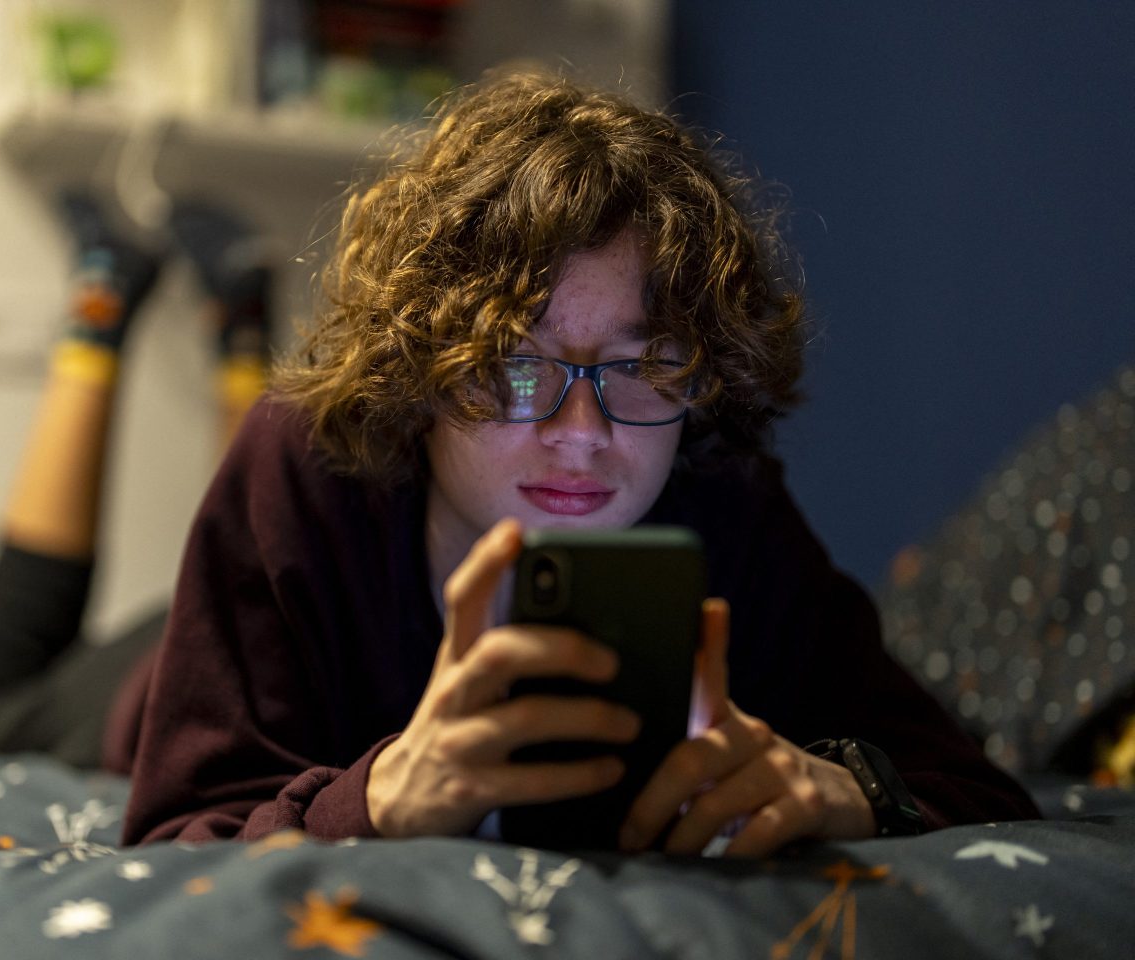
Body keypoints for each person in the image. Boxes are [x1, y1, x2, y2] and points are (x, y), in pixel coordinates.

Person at [113, 69, 1040, 856]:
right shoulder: (304, 464)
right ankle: (153, 311)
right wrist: (381, 797)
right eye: (516, 366)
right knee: (8, 689)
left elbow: (965, 784)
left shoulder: (719, 495)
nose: (584, 432)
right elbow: (176, 837)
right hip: (133, 684)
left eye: (645, 365)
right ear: (424, 369)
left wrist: (847, 790)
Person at [0, 191, 271, 770]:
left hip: (182, 690)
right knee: (252, 597)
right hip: (188, 678)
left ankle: (217, 319)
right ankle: (116, 294)